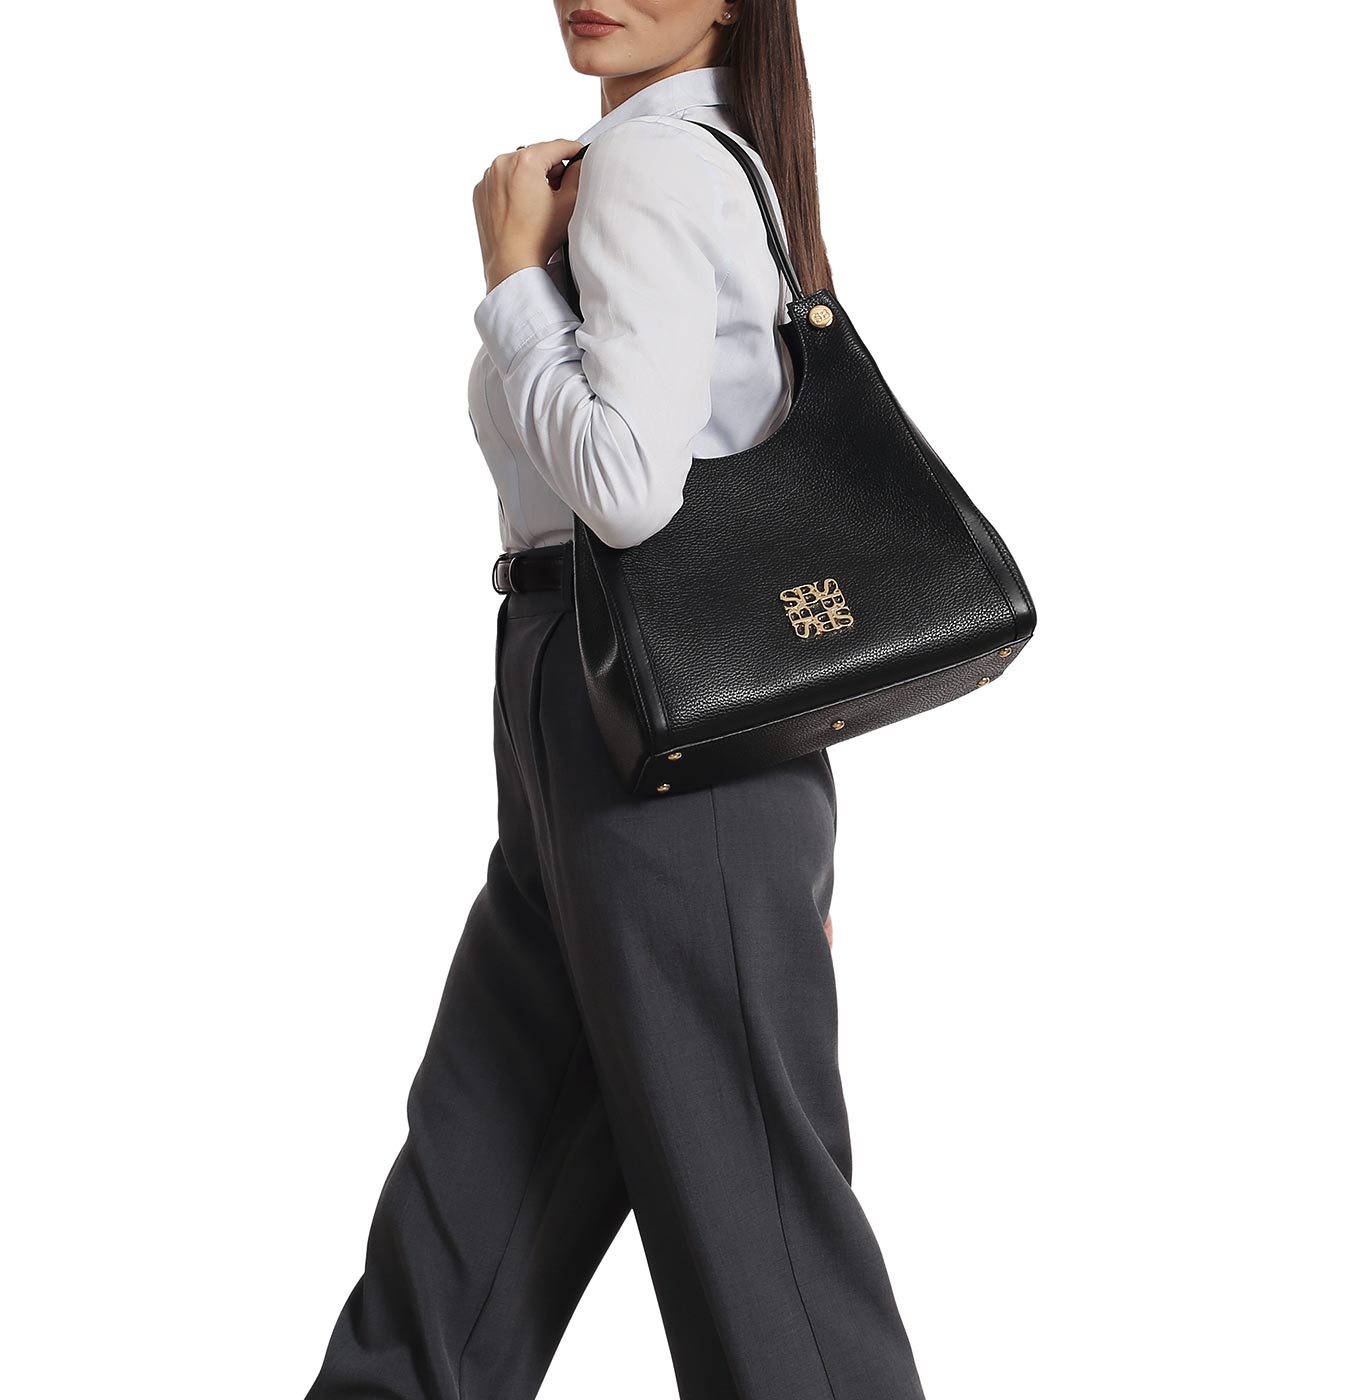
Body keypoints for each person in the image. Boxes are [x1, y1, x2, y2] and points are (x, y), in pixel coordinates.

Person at [305, 5, 927, 1399]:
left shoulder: (653, 163)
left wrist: (513, 284)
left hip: (661, 744)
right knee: (468, 1211)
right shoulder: (668, 154)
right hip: (592, 728)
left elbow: (627, 487)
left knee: (764, 1268)